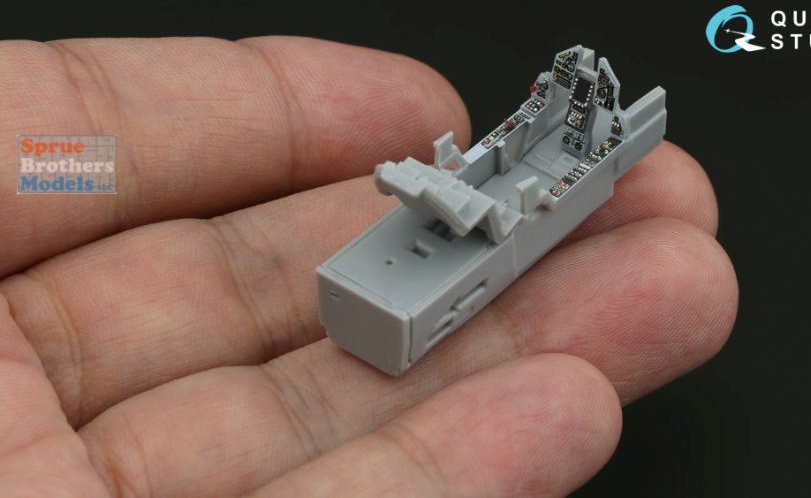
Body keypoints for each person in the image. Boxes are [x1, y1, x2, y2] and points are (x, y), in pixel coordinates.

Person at [0, 36, 738, 497]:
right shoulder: (520, 148)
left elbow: (528, 169)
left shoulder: (581, 142)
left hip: (501, 213)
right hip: (468, 228)